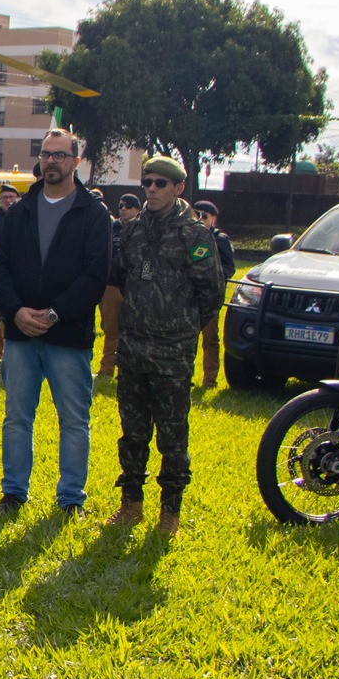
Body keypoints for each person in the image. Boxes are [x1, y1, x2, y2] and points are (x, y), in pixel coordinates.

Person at [0, 129, 112, 515]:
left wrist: (55, 313)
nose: (52, 161)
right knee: (16, 418)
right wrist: (17, 312)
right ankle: (13, 493)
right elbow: (1, 267)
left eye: (60, 155)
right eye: (46, 154)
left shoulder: (93, 214)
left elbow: (95, 276)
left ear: (76, 161)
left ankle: (71, 498)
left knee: (74, 421)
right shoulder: (20, 211)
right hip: (21, 336)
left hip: (68, 337)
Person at [108, 156, 223, 535]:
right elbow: (124, 278)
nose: (152, 189)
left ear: (178, 189)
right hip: (134, 348)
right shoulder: (133, 230)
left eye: (160, 183)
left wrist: (181, 325)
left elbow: (211, 293)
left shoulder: (195, 235)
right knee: (133, 433)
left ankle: (169, 511)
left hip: (173, 353)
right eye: (148, 183)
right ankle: (131, 504)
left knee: (172, 437)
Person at [191, 200, 236, 387]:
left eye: (204, 216)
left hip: (210, 296)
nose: (200, 219)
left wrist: (213, 280)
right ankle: (186, 374)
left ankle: (209, 378)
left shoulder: (220, 240)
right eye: (197, 214)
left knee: (210, 339)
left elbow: (229, 268)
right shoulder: (190, 236)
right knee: (187, 338)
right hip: (190, 296)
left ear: (214, 219)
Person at [97, 190, 140, 379]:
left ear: (138, 210)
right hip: (112, 285)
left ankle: (128, 370)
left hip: (135, 287)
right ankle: (107, 368)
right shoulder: (111, 228)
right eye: (121, 206)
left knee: (133, 331)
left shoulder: (143, 229)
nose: (123, 209)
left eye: (128, 206)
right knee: (111, 329)